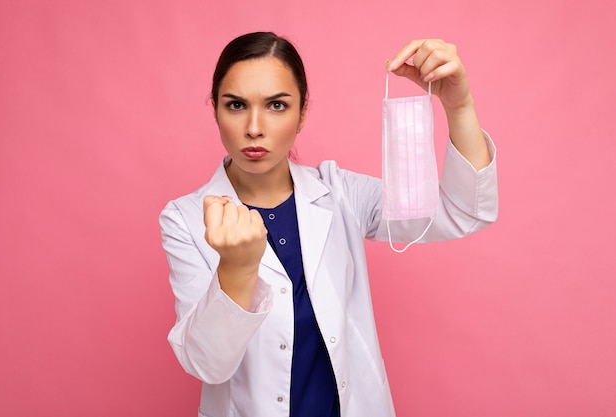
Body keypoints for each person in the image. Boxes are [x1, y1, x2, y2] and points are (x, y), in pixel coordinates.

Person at [159, 31, 498, 417]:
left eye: (276, 105)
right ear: (215, 110)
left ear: (302, 113)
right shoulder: (184, 218)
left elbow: (463, 212)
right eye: (236, 105)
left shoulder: (341, 193)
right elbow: (207, 364)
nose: (254, 127)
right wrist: (236, 270)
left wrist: (459, 104)